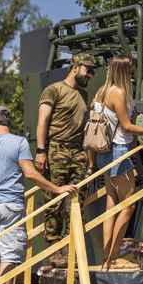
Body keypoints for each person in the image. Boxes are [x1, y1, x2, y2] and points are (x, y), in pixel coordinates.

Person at [0, 106, 77, 284]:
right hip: (11, 205)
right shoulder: (19, 142)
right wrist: (56, 188)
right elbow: (30, 174)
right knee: (9, 254)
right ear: (9, 123)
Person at [85, 54, 143, 271]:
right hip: (119, 153)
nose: (133, 73)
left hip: (104, 154)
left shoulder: (101, 92)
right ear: (123, 70)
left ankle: (106, 259)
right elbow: (127, 127)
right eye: (130, 70)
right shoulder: (119, 93)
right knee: (129, 205)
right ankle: (113, 256)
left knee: (112, 206)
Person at [35, 52, 97, 268]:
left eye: (92, 71)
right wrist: (41, 150)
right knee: (53, 202)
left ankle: (71, 248)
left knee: (77, 202)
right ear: (75, 67)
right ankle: (54, 251)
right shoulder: (53, 89)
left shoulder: (84, 95)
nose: (90, 74)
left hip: (77, 152)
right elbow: (42, 121)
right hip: (55, 150)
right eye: (88, 70)